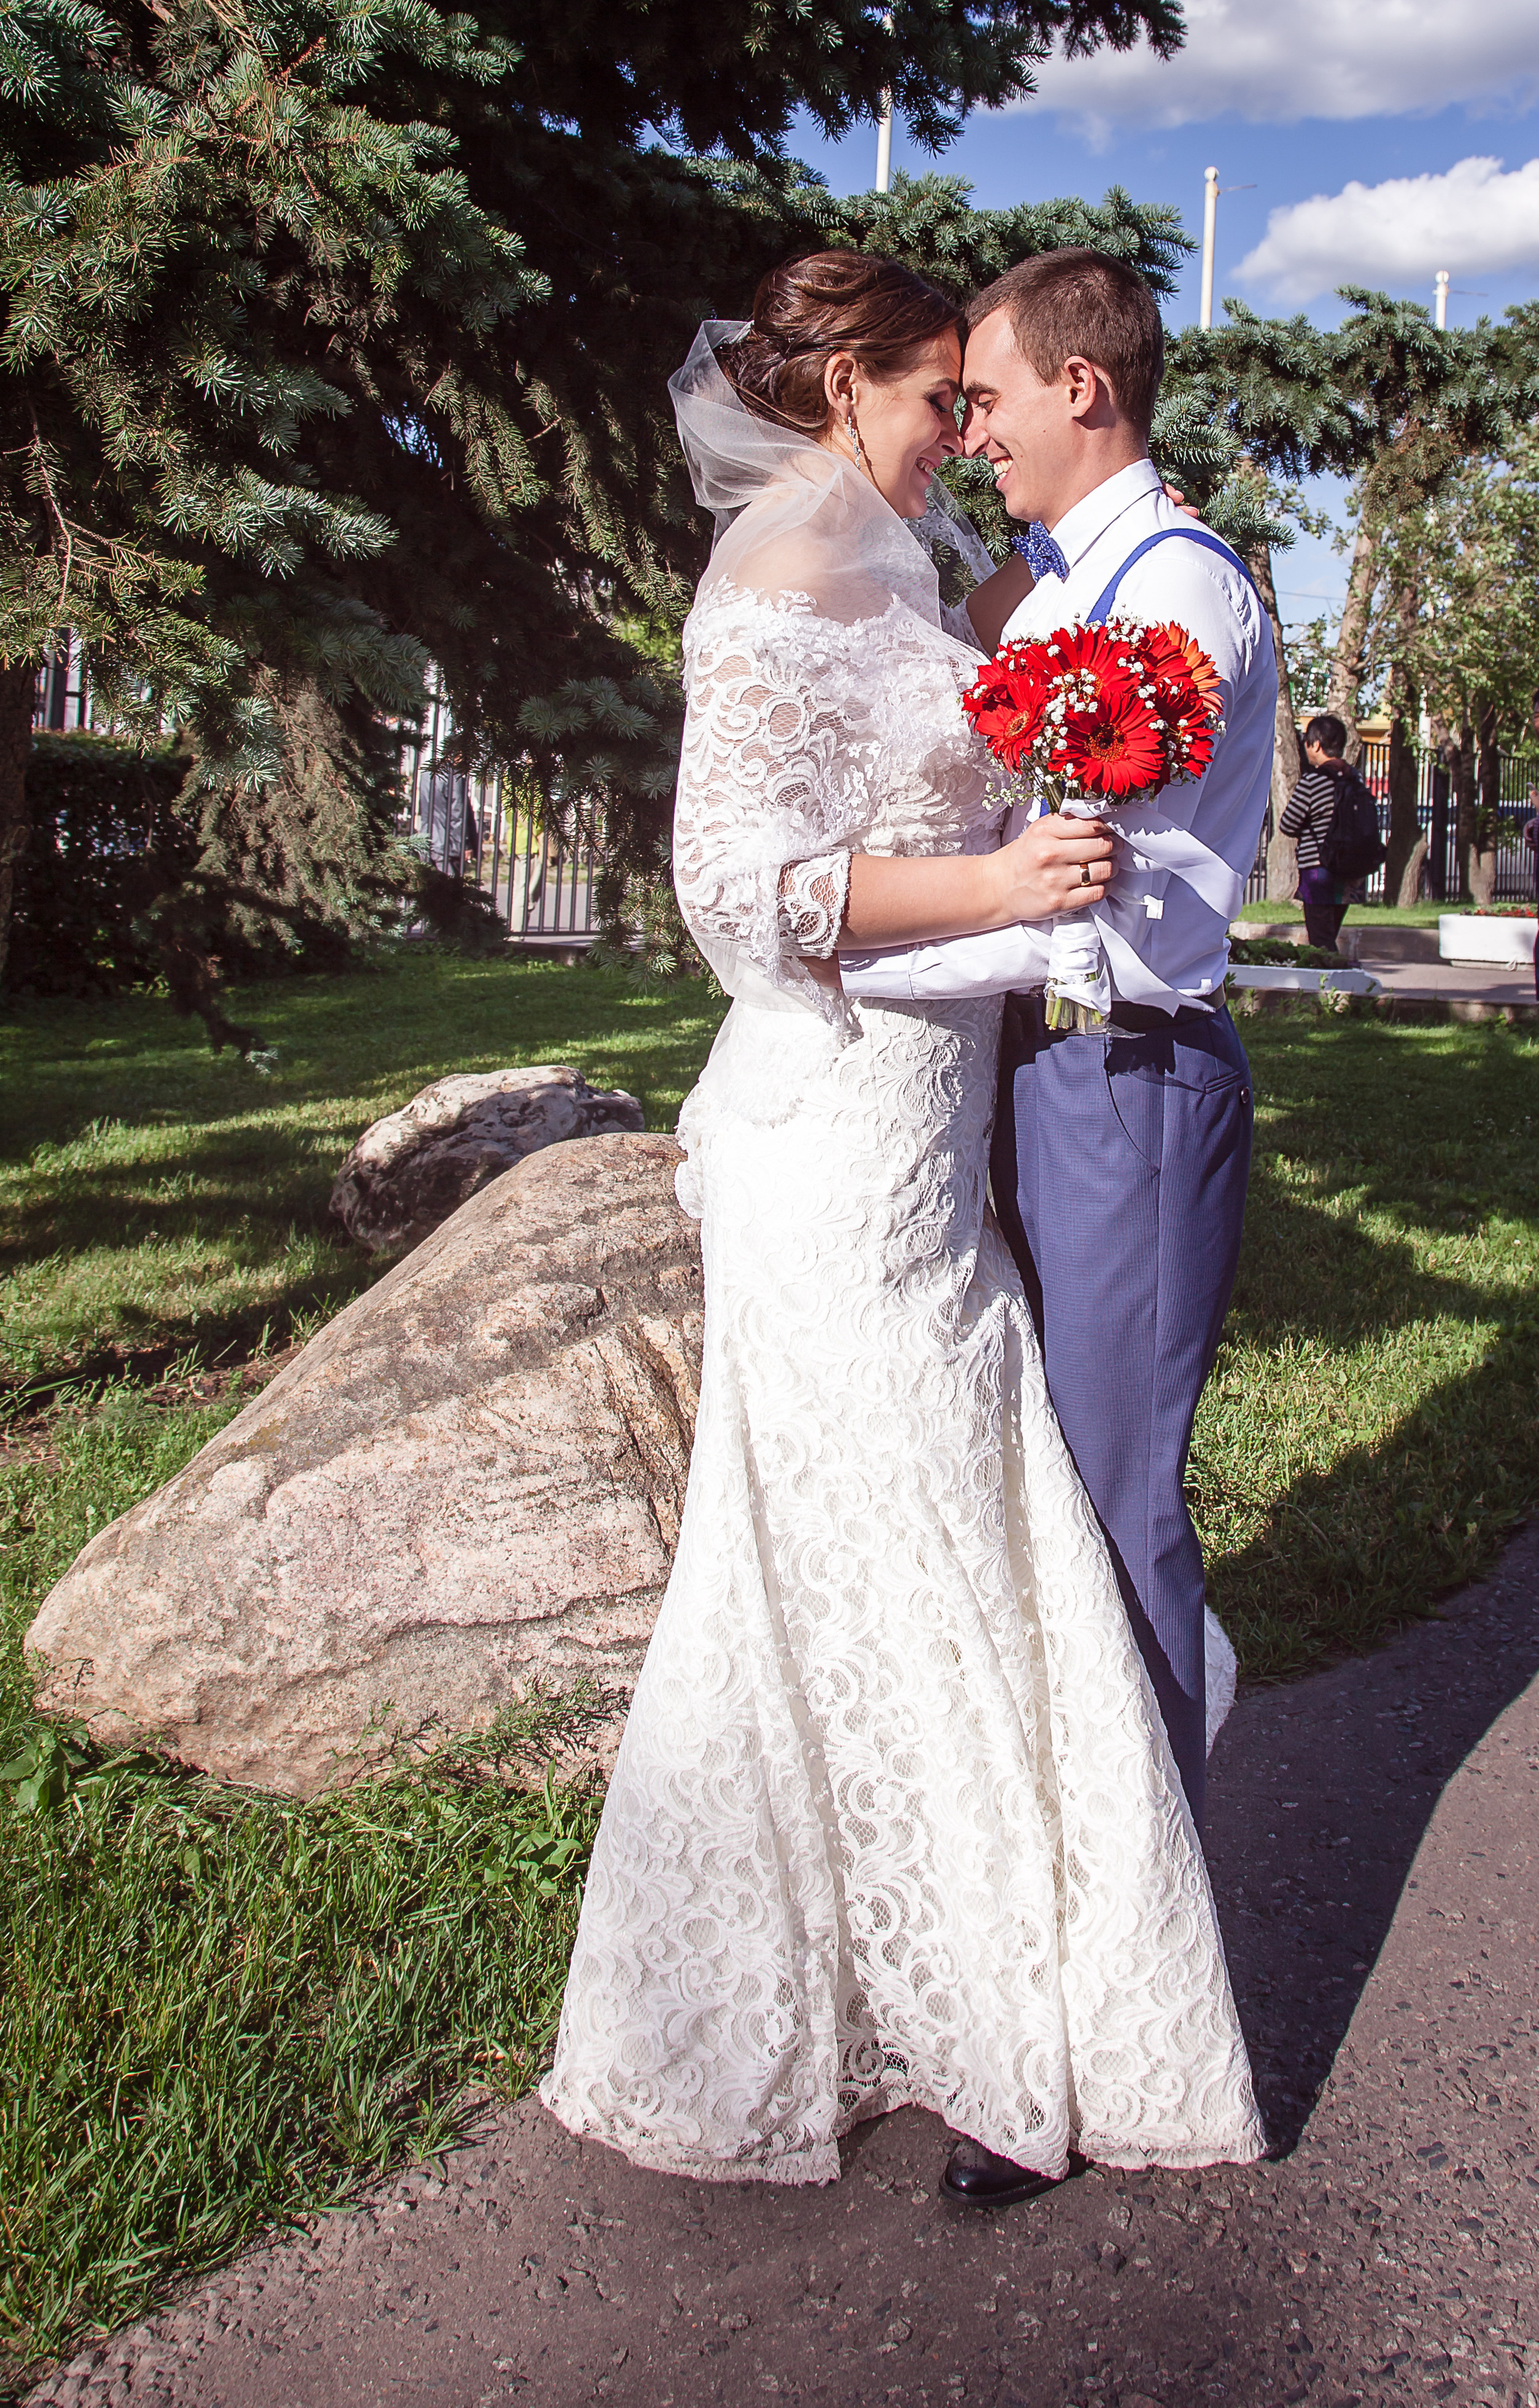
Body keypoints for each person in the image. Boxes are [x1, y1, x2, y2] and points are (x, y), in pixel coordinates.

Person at [541, 249, 1264, 2212]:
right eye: (940, 396)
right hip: (834, 1131)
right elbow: (732, 889)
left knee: (911, 1539)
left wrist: (1028, 872)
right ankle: (975, 2001)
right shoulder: (776, 575)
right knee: (902, 1551)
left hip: (938, 1125)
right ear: (847, 382)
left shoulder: (923, 568)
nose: (965, 427)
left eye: (981, 397)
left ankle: (960, 1965)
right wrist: (1001, 881)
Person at [840, 249, 1277, 1836]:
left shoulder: (1176, 589)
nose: (971, 434)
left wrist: (850, 947)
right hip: (1040, 1067)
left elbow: (1086, 887)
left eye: (995, 398)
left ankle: (1153, 1900)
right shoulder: (1052, 582)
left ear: (1081, 390)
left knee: (1116, 1494)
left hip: (1129, 1077)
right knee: (1048, 1481)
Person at [1279, 714, 1354, 950]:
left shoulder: (1315, 780)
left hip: (1318, 869)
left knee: (1321, 941)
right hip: (1351, 870)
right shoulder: (1355, 778)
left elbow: (1288, 823)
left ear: (1317, 745)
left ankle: (1330, 983)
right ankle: (1334, 978)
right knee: (1329, 933)